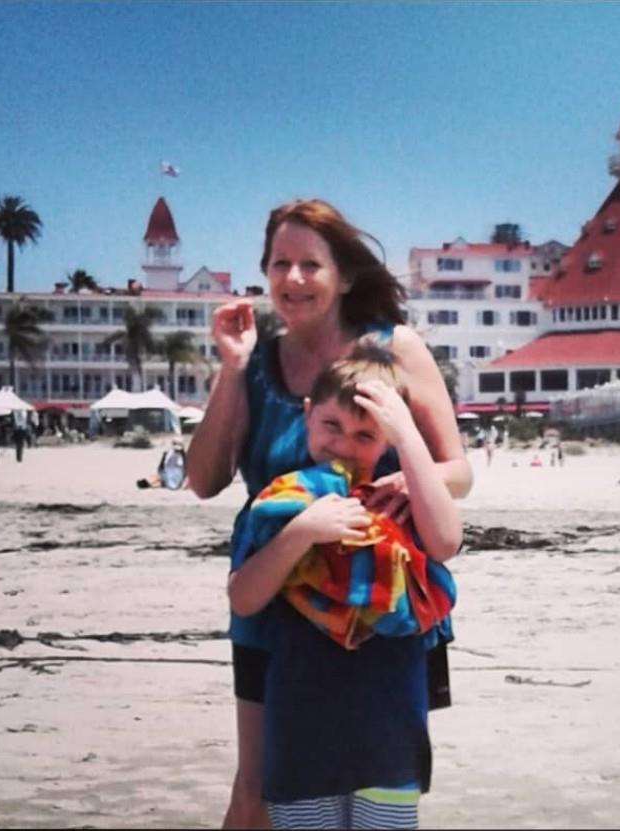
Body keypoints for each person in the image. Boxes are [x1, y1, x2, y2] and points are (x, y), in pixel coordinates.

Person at [186, 198, 471, 830]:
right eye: (279, 263)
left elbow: (459, 471)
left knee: (376, 792)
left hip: (380, 605)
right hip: (275, 603)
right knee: (254, 792)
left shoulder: (396, 350)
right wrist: (232, 369)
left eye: (310, 264)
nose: (292, 279)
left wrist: (406, 475)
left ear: (343, 273)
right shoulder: (256, 362)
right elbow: (204, 479)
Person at [228, 346, 461, 829]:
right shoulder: (282, 502)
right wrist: (303, 532)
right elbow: (243, 598)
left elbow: (446, 540)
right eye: (331, 425)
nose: (343, 445)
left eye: (365, 435)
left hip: (390, 735)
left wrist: (410, 438)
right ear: (308, 415)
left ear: (387, 443)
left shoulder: (399, 502)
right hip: (300, 737)